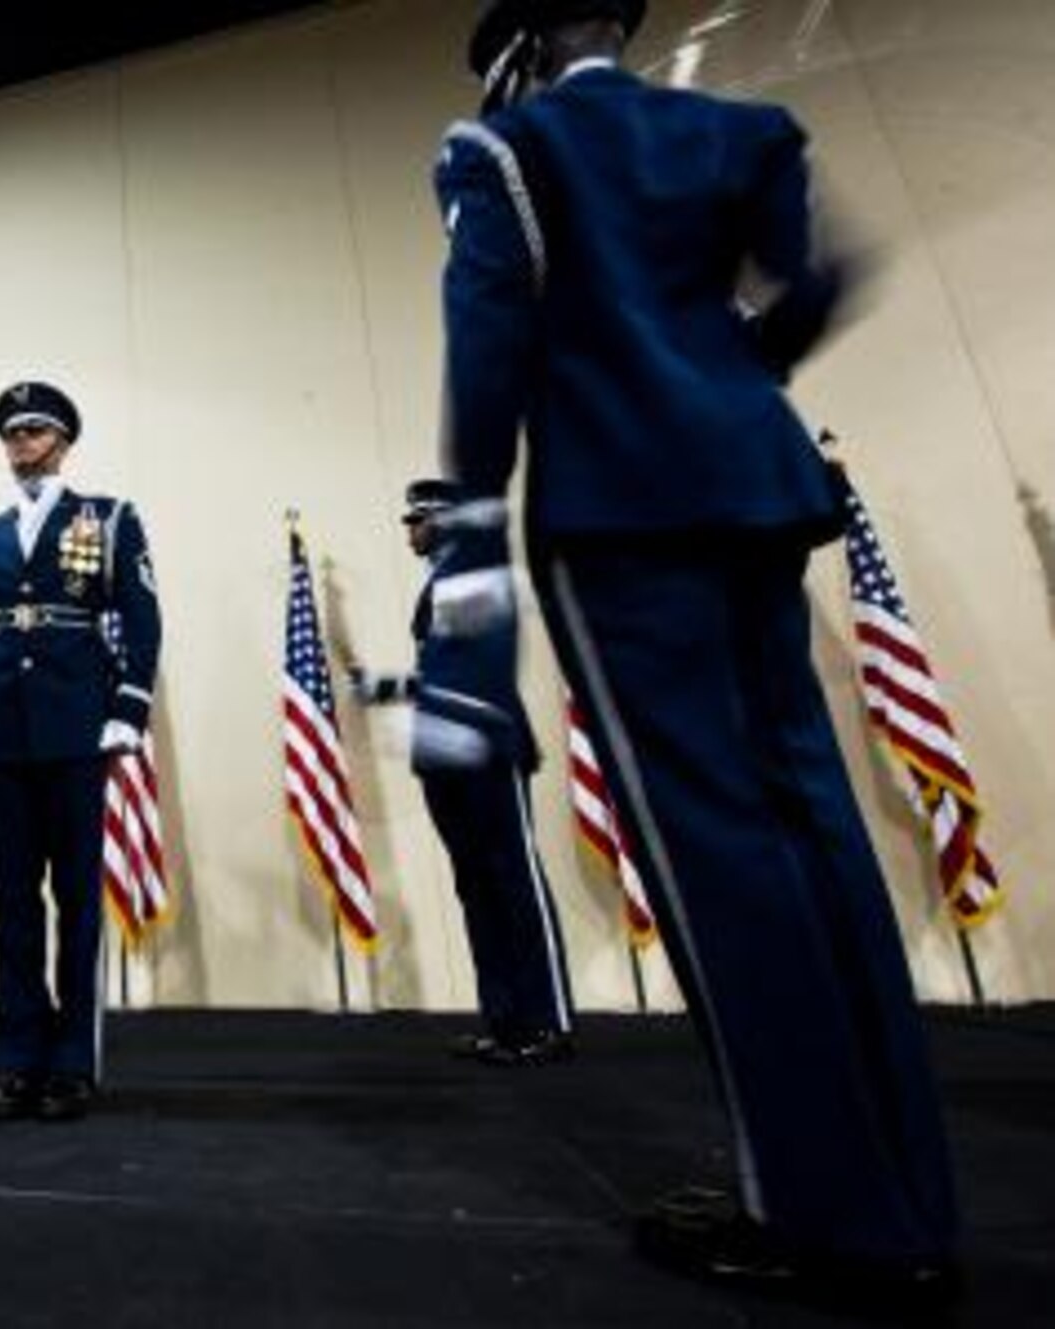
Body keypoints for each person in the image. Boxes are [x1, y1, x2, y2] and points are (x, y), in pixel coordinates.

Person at [432, 0, 958, 1302]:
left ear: (526, 48)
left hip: (618, 511)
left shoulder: (503, 151)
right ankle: (902, 1194)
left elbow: (489, 347)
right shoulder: (742, 129)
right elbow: (820, 281)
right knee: (811, 827)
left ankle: (813, 1210)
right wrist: (720, 378)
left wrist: (471, 543)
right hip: (756, 491)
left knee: (714, 851)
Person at [0, 380, 161, 1122]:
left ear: (65, 440)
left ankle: (73, 1062)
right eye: (13, 433)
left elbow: (140, 615)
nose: (22, 444)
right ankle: (19, 1060)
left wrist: (127, 708)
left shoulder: (107, 518)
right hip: (4, 734)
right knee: (11, 902)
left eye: (37, 431)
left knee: (76, 900)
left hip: (77, 728)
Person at [351, 477, 574, 1067]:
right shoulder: (441, 585)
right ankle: (504, 1021)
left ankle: (547, 1022)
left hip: (485, 748)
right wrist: (388, 688)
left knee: (514, 880)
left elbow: (482, 672)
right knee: (476, 885)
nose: (411, 530)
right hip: (446, 752)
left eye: (418, 519)